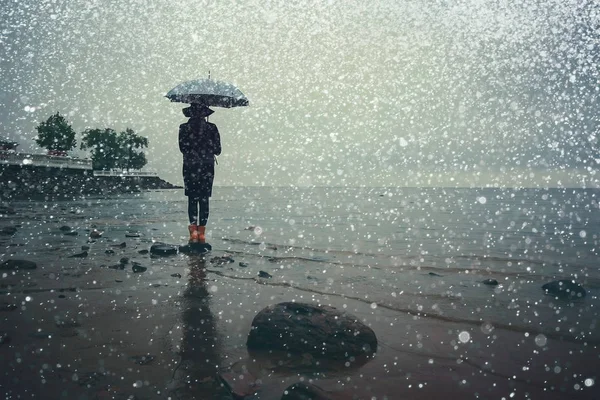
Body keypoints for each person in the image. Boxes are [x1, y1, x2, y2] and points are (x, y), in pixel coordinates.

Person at [179, 104, 221, 243]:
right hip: (206, 167)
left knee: (192, 199)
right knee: (204, 199)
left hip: (190, 166)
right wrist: (207, 143)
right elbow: (218, 150)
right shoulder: (212, 128)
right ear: (205, 113)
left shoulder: (184, 128)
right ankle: (201, 234)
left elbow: (182, 148)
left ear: (190, 113)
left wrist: (194, 146)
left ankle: (193, 234)